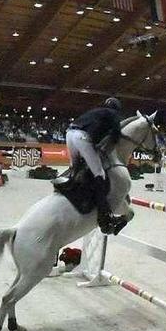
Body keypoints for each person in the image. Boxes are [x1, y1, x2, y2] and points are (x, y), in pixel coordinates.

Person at [66, 97, 123, 234]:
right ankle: (105, 215)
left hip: (69, 134)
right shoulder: (113, 114)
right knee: (99, 174)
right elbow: (116, 134)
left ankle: (71, 192)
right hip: (82, 137)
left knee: (76, 167)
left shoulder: (97, 111)